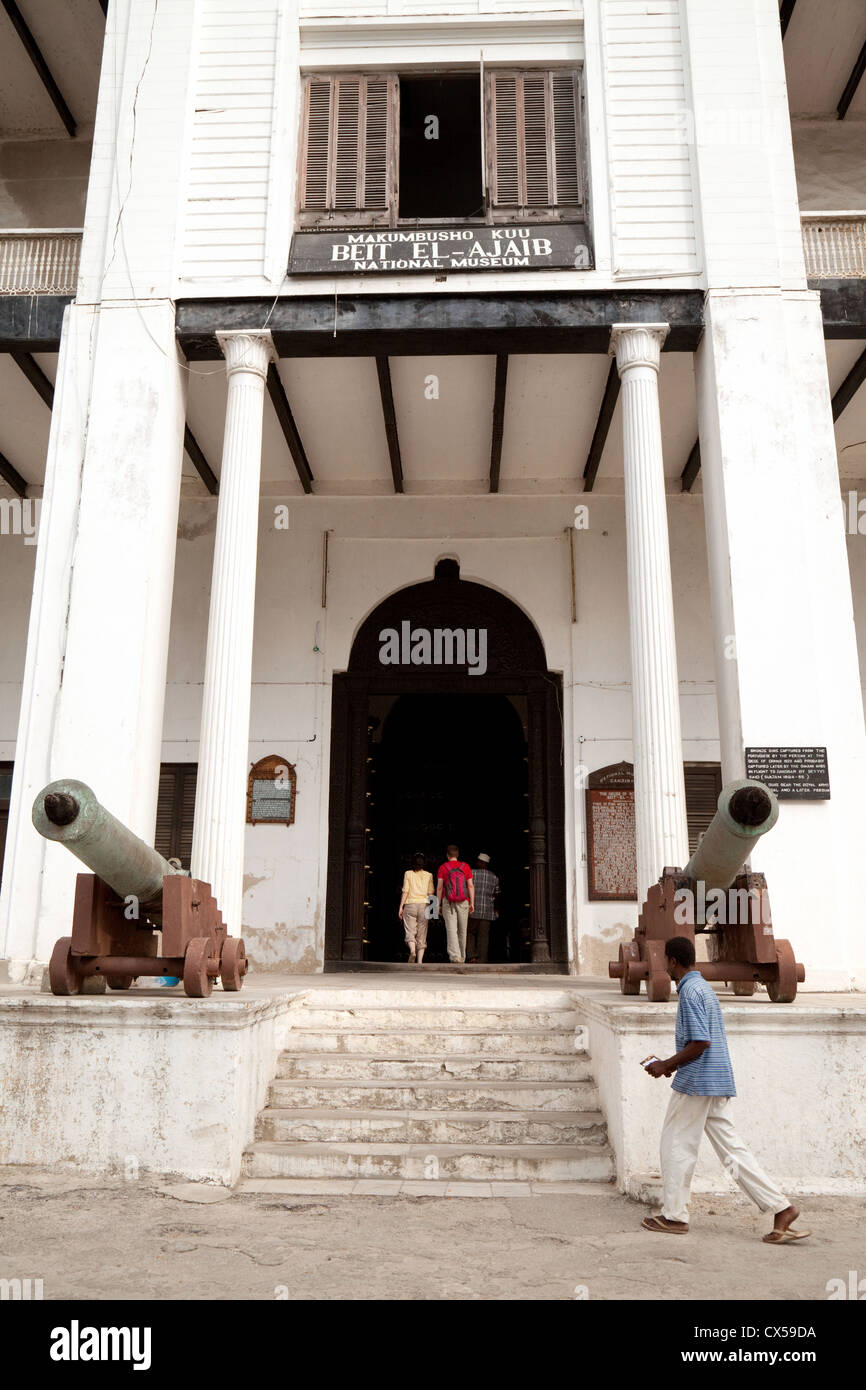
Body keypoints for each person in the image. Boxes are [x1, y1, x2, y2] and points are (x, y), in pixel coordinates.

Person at [641, 936, 810, 1244]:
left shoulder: (690, 991)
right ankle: (781, 1208)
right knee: (733, 1151)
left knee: (676, 1145)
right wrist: (670, 1064)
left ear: (673, 961)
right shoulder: (703, 987)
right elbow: (703, 1040)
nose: (665, 965)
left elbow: (701, 1041)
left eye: (666, 960)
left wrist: (666, 1065)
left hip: (697, 1083)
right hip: (716, 1080)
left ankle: (674, 1216)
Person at [436, 844, 474, 964]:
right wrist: (472, 903)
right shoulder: (465, 866)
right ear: (457, 855)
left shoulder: (443, 867)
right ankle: (462, 956)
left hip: (448, 902)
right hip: (464, 901)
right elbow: (470, 886)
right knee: (462, 930)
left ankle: (455, 957)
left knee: (451, 929)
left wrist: (438, 904)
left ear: (447, 855)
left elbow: (440, 887)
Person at [398, 852, 434, 964]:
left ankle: (412, 951)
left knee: (410, 930)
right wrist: (433, 910)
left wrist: (401, 906)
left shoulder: (408, 873)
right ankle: (419, 961)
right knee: (422, 933)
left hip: (410, 905)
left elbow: (405, 891)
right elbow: (430, 893)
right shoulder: (429, 875)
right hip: (424, 905)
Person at [467, 852, 499, 963]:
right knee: (484, 937)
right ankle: (482, 960)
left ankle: (472, 956)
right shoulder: (494, 877)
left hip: (472, 911)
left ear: (480, 862)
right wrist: (496, 909)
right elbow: (497, 895)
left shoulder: (471, 873)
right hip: (487, 911)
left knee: (469, 932)